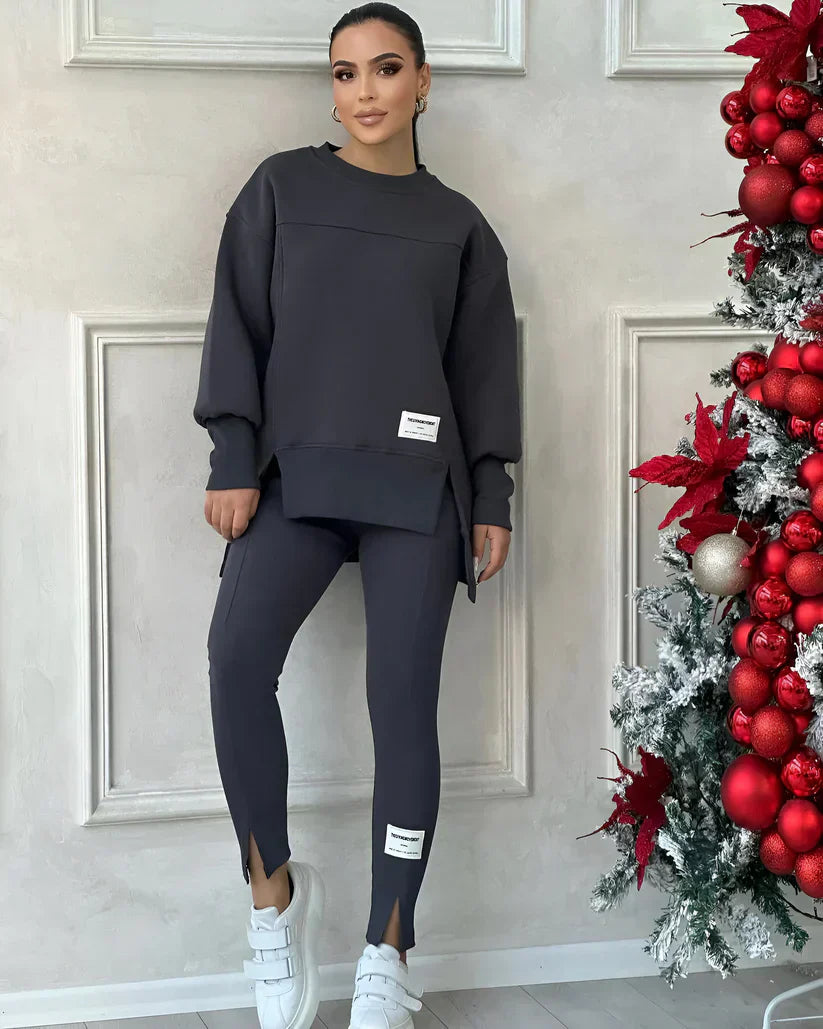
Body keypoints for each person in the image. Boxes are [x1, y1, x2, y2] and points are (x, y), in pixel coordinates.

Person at [192, 5, 522, 1028]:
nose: (364, 92)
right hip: (293, 479)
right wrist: (233, 456)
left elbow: (482, 371)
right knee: (236, 660)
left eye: (384, 69)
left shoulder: (459, 225)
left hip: (418, 492)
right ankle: (272, 900)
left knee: (402, 706)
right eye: (344, 73)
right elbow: (237, 325)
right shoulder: (281, 189)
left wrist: (491, 493)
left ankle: (388, 946)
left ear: (423, 82)